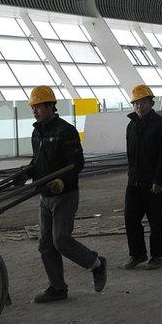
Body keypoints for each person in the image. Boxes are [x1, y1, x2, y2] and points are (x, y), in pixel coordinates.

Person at [20, 85, 107, 303]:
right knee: (45, 244)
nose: (35, 111)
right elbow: (38, 162)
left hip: (65, 195)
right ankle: (57, 288)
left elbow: (77, 163)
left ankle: (96, 263)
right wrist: (25, 173)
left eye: (38, 107)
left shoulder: (65, 131)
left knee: (61, 240)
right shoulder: (37, 132)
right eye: (33, 107)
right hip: (45, 196)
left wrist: (62, 181)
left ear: (50, 106)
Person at [122, 84, 162, 270]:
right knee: (130, 218)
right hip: (134, 181)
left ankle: (157, 256)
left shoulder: (161, 126)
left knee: (156, 220)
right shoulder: (131, 126)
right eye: (136, 103)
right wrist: (131, 175)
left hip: (154, 182)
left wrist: (160, 180)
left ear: (151, 103)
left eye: (143, 102)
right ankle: (138, 254)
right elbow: (130, 154)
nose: (139, 107)